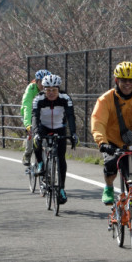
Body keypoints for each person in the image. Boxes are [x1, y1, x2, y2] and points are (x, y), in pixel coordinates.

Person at [91, 61, 132, 238]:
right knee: (111, 165)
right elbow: (98, 122)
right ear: (116, 80)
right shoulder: (106, 99)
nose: (127, 84)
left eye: (131, 80)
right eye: (123, 80)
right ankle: (108, 187)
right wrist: (102, 142)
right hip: (111, 142)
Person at [32, 74, 78, 204]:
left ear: (58, 89)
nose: (51, 93)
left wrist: (73, 133)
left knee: (61, 158)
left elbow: (70, 116)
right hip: (43, 126)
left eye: (54, 90)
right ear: (44, 89)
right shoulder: (38, 99)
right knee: (36, 139)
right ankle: (40, 163)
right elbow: (35, 117)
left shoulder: (65, 98)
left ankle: (62, 188)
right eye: (48, 90)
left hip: (59, 128)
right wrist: (36, 132)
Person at [21, 69, 51, 165]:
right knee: (32, 132)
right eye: (41, 83)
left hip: (43, 113)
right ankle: (27, 154)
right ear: (37, 81)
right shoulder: (31, 89)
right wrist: (28, 124)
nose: (43, 86)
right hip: (30, 113)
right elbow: (27, 106)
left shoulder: (50, 90)